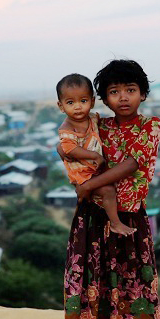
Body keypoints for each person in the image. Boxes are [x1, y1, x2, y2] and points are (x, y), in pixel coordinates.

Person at [61, 60, 160, 319]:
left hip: (131, 215)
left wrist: (88, 186)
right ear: (103, 98)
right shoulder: (99, 125)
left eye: (130, 90)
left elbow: (132, 165)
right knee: (95, 281)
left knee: (138, 280)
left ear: (143, 94)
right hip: (94, 215)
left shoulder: (151, 126)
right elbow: (70, 135)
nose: (123, 97)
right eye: (114, 91)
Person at [56, 73, 136, 236]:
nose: (78, 107)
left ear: (92, 102)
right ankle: (115, 223)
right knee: (107, 191)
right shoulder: (67, 128)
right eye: (70, 102)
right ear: (61, 106)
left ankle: (85, 207)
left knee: (105, 190)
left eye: (83, 101)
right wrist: (94, 156)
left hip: (94, 171)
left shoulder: (93, 118)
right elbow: (69, 149)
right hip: (82, 173)